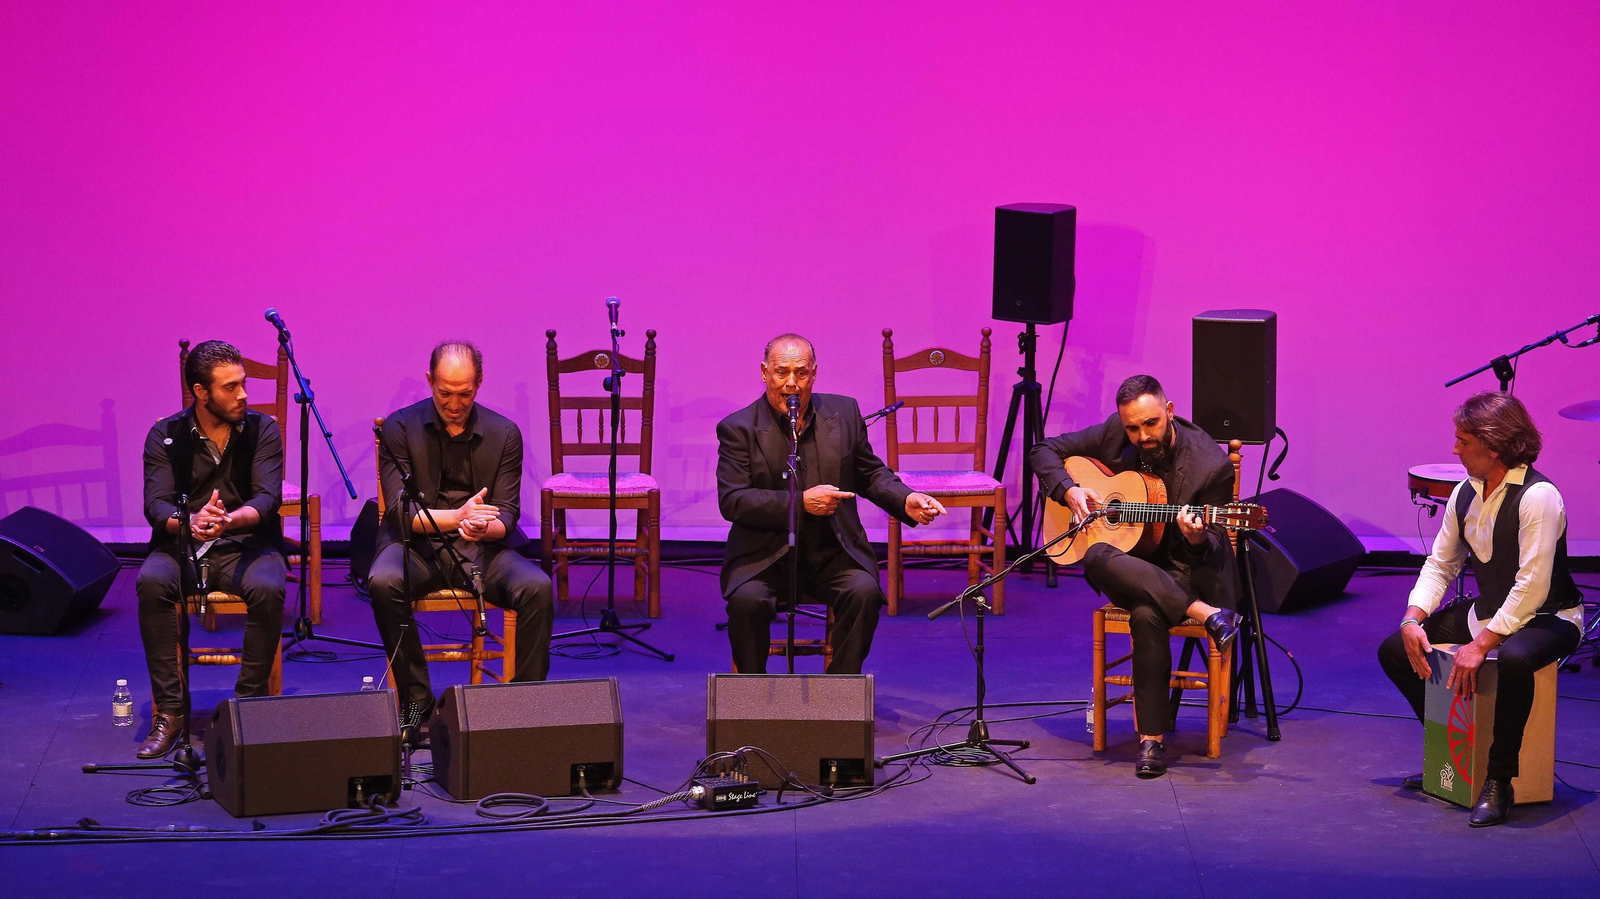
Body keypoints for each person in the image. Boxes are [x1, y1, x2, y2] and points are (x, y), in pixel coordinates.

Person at [1377, 392, 1582, 827]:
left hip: (1550, 616)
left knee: (1514, 658)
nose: (1455, 449)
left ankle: (1498, 779)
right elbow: (1442, 563)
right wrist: (1413, 618)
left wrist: (1483, 643)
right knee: (1396, 649)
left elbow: (1532, 586)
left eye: (1463, 441)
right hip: (1491, 610)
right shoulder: (1465, 494)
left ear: (1493, 445)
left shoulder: (1539, 497)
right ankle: (1451, 754)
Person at [1029, 374, 1241, 778]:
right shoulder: (1115, 431)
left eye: (1151, 424)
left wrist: (1196, 538)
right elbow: (1044, 449)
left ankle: (1150, 742)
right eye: (1132, 427)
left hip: (1185, 572)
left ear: (1170, 412)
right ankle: (1207, 615)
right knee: (1094, 555)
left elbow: (1215, 548)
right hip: (1128, 566)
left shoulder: (1210, 466)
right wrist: (1068, 490)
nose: (1141, 435)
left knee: (1147, 615)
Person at [716, 333, 947, 674]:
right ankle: (751, 695)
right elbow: (733, 500)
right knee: (747, 602)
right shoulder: (738, 428)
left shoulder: (843, 413)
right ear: (764, 372)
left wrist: (906, 498)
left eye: (801, 373)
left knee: (864, 592)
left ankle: (840, 692)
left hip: (832, 552)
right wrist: (800, 503)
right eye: (781, 372)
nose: (791, 384)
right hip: (765, 557)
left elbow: (869, 474)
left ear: (814, 373)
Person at [369, 341, 554, 730]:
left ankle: (526, 707)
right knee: (384, 581)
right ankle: (418, 704)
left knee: (537, 587)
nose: (455, 403)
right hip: (415, 546)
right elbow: (399, 513)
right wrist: (457, 517)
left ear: (480, 384)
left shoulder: (504, 433)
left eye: (465, 393)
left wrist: (484, 526)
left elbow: (507, 512)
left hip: (482, 549)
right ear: (429, 381)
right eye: (445, 393)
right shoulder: (399, 428)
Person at [135, 340, 286, 758]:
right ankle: (171, 711)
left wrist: (227, 521)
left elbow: (267, 498)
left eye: (243, 384)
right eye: (230, 387)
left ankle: (246, 709)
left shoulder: (262, 430)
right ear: (202, 392)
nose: (243, 395)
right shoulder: (165, 435)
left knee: (270, 587)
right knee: (151, 583)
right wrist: (191, 523)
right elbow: (156, 506)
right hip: (182, 546)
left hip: (245, 544)